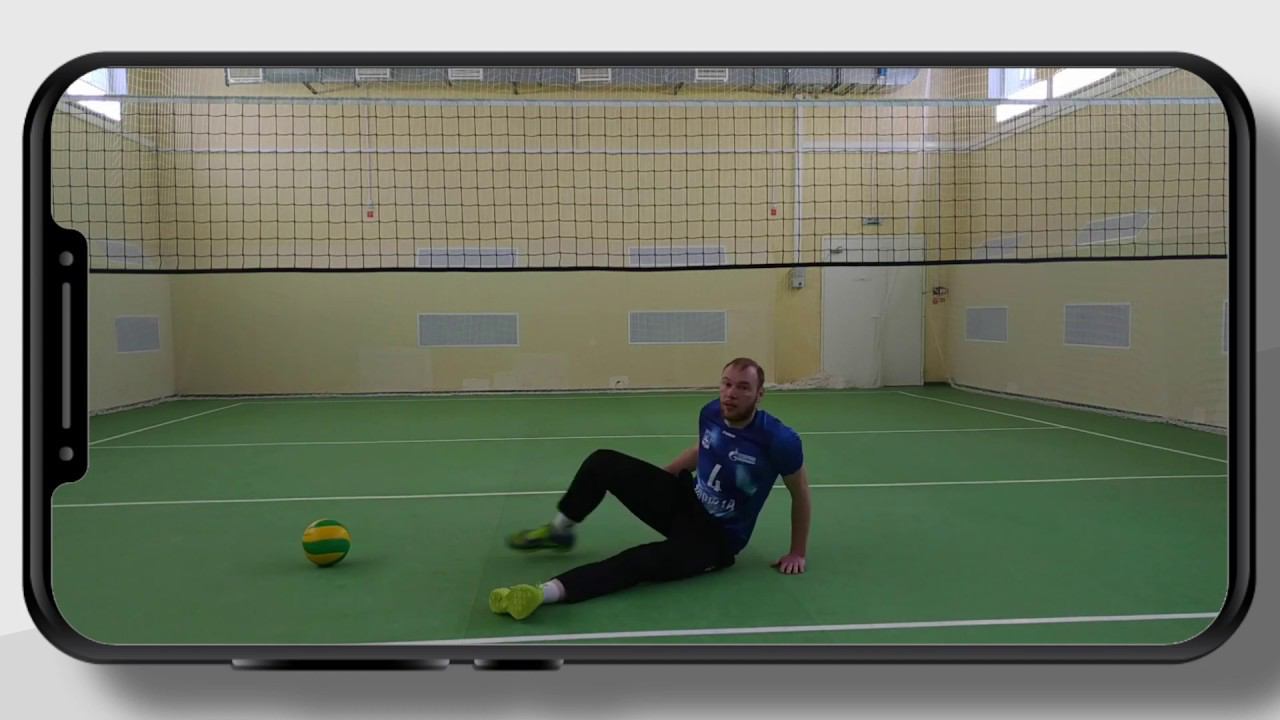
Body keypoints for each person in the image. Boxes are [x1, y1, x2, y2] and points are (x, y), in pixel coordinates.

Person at [488, 357, 811, 620]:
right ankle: (560, 530)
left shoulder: (779, 440)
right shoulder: (711, 412)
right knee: (603, 462)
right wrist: (657, 480)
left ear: (759, 394)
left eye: (743, 387)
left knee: (640, 561)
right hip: (687, 503)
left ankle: (542, 593)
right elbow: (703, 449)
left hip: (716, 540)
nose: (731, 393)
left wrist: (797, 552)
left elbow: (800, 495)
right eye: (726, 384)